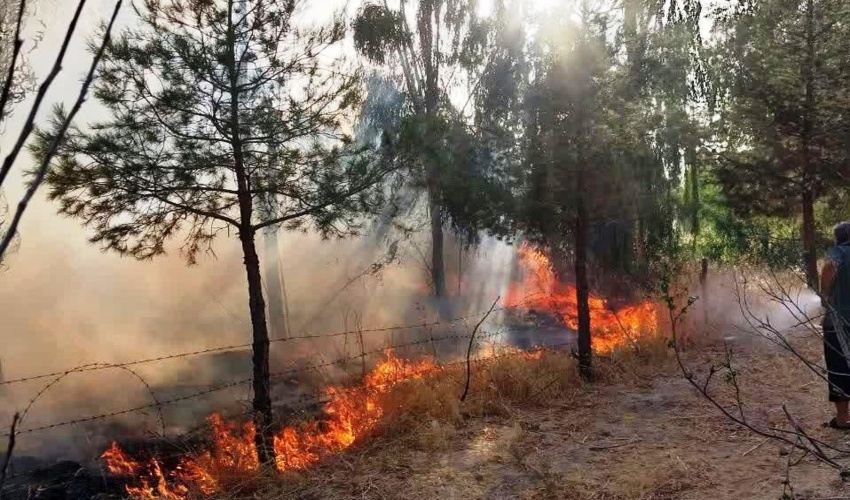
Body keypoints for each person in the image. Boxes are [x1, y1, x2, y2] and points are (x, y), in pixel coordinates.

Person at [820, 221, 850, 429]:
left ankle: (842, 419)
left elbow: (829, 266)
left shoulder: (839, 252)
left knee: (839, 367)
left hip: (839, 322)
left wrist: (825, 295)